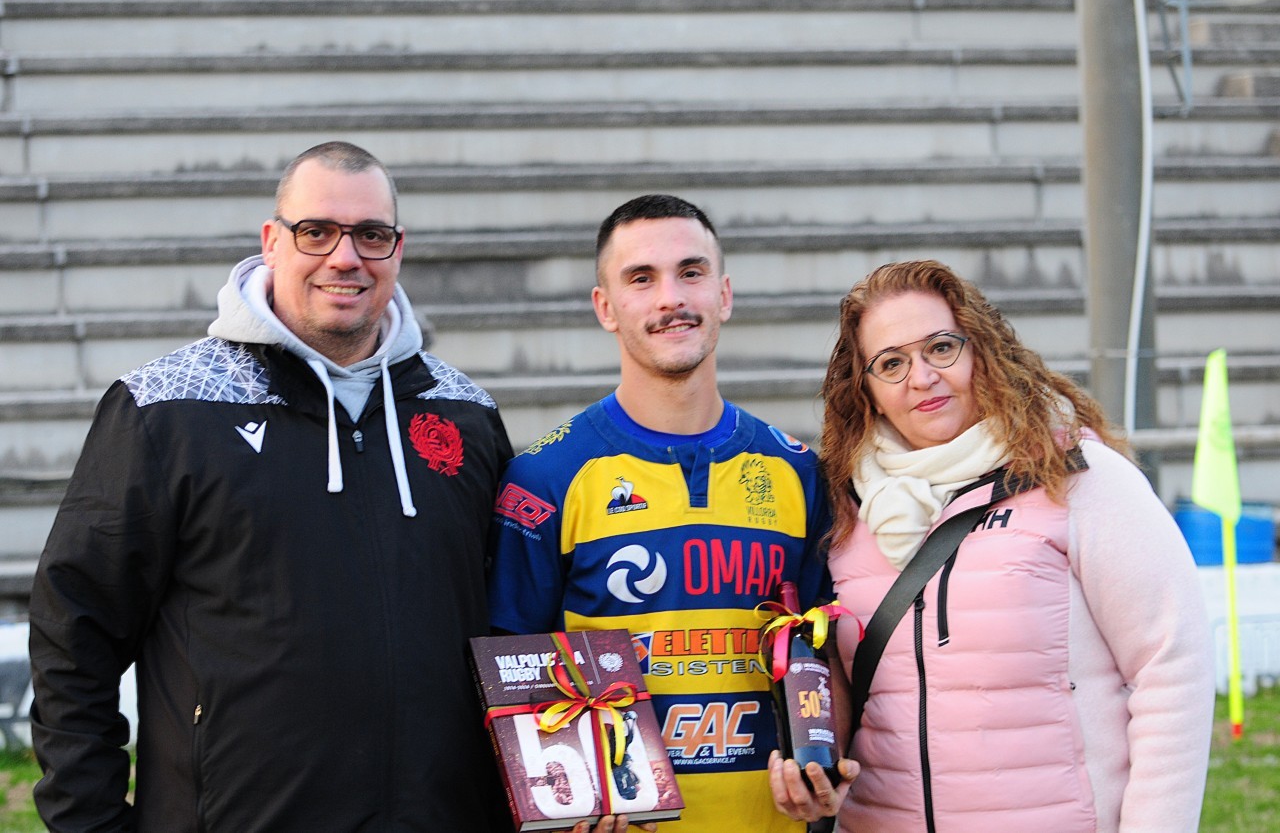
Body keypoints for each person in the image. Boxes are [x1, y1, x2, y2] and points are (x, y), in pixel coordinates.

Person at [27, 141, 515, 832]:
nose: (345, 257)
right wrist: (89, 820)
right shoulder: (165, 408)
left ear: (397, 249)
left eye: (371, 235)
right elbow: (74, 626)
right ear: (272, 241)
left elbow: (512, 626)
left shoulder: (464, 412)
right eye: (316, 231)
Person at [775, 259, 1215, 831]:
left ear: (982, 352)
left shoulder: (1076, 476)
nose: (921, 377)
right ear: (868, 392)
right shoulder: (841, 509)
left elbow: (1172, 666)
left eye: (941, 348)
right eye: (891, 363)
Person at [487, 194, 849, 833]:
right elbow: (515, 670)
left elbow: (827, 659)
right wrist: (567, 806)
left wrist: (825, 773)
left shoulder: (797, 470)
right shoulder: (545, 477)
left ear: (724, 294)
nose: (670, 298)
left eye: (691, 272)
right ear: (605, 307)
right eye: (641, 278)